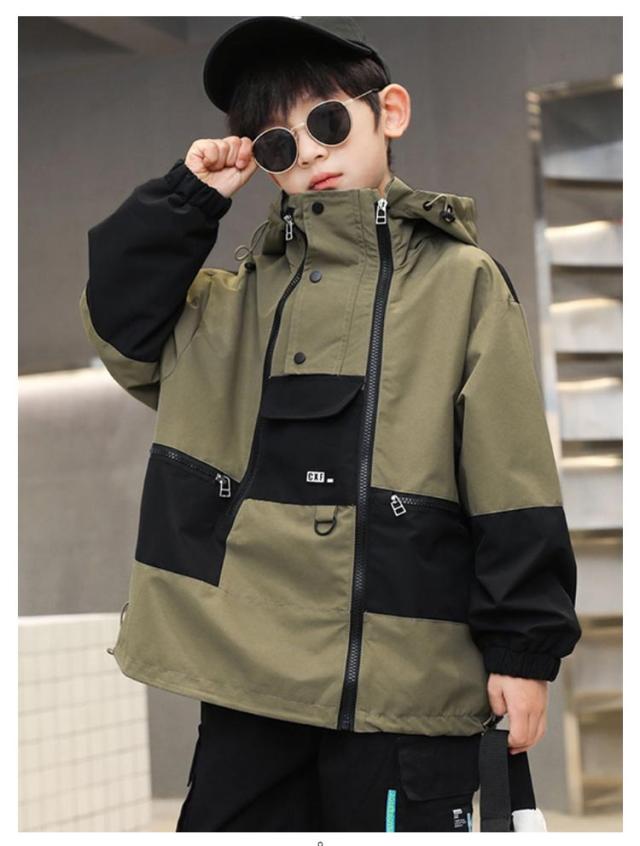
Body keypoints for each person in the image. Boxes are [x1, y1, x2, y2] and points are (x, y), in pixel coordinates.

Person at [78, 17, 581, 832]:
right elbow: (120, 323)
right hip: (249, 681)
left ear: (390, 112)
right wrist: (190, 197)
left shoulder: (463, 283)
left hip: (407, 687)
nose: (309, 152)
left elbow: (511, 476)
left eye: (328, 121)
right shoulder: (231, 302)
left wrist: (525, 653)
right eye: (277, 144)